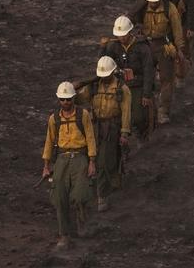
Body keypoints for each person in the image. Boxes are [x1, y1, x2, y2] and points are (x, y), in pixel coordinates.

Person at [41, 81, 96, 249]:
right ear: (59, 100)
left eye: (68, 99)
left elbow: (90, 137)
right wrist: (46, 165)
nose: (66, 102)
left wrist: (92, 161)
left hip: (80, 157)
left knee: (80, 195)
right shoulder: (54, 119)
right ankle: (64, 235)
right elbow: (49, 142)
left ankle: (81, 220)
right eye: (62, 99)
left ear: (73, 98)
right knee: (59, 197)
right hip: (62, 159)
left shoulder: (83, 115)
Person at [77, 56, 131, 212]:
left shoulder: (122, 89)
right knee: (92, 157)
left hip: (112, 127)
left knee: (104, 161)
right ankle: (107, 182)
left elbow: (126, 112)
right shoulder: (93, 87)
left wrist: (124, 133)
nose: (104, 78)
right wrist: (72, 91)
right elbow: (80, 100)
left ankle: (102, 196)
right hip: (94, 127)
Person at [132, 0, 185, 125]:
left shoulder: (170, 9)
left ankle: (163, 111)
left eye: (155, 0)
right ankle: (147, 111)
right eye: (150, 0)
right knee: (144, 79)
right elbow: (131, 16)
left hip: (163, 46)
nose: (153, 3)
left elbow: (177, 29)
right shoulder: (142, 8)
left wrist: (179, 49)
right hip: (145, 46)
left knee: (166, 80)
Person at [101, 16, 155, 140]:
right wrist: (102, 48)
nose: (121, 38)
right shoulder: (114, 47)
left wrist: (146, 94)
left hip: (137, 85)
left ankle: (142, 135)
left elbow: (148, 70)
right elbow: (105, 63)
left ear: (130, 32)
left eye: (124, 35)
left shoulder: (142, 47)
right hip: (121, 84)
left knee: (138, 117)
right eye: (119, 35)